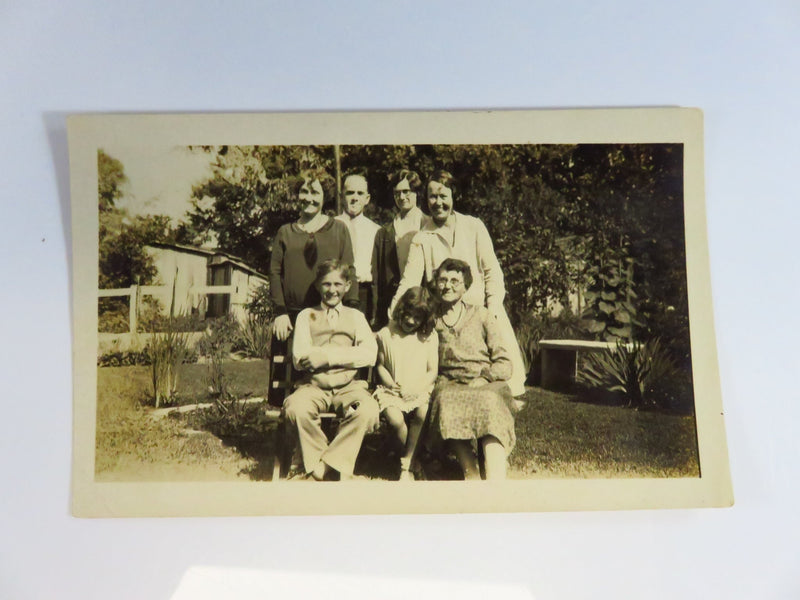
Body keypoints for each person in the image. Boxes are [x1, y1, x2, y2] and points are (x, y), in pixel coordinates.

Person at [389, 169, 527, 396]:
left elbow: (492, 271)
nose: (438, 202)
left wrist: (492, 310)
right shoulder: (422, 237)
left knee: (501, 383)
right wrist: (393, 314)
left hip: (480, 312)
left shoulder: (473, 226)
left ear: (453, 196)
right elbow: (409, 281)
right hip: (447, 316)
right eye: (432, 197)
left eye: (443, 196)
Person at [284, 259, 380, 481]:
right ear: (318, 286)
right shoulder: (305, 316)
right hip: (314, 387)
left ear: (347, 286)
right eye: (326, 284)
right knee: (296, 409)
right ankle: (329, 463)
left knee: (365, 410)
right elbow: (301, 358)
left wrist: (325, 357)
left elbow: (369, 354)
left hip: (349, 389)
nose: (332, 290)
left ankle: (322, 467)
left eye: (338, 284)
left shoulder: (356, 317)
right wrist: (346, 357)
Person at [428, 258, 517, 480]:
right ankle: (470, 468)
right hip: (449, 383)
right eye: (443, 280)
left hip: (485, 381)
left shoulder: (482, 315)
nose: (448, 286)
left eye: (455, 281)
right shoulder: (430, 318)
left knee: (489, 401)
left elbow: (505, 361)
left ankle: (495, 468)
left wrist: (486, 378)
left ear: (466, 286)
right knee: (446, 400)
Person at [269, 169, 359, 343]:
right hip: (291, 319)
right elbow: (274, 273)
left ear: (325, 196)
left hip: (330, 317)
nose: (309, 198)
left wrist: (351, 310)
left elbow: (349, 271)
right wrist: (280, 312)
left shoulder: (339, 229)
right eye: (304, 191)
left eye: (315, 192)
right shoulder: (285, 232)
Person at [373, 286, 438, 481]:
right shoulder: (387, 333)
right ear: (401, 310)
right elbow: (380, 365)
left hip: (418, 388)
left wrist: (417, 388)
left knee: (422, 412)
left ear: (424, 320)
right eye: (408, 315)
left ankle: (406, 465)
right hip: (392, 390)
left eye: (417, 318)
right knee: (395, 420)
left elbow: (432, 371)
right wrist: (389, 383)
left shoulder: (428, 337)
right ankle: (412, 461)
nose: (410, 321)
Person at [371, 169, 426, 330]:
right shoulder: (385, 232)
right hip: (394, 301)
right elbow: (378, 276)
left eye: (406, 192)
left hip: (423, 300)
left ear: (416, 192)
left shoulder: (427, 226)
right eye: (397, 193)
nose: (401, 197)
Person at [336, 171, 380, 322]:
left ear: (367, 199)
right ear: (341, 196)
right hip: (335, 293)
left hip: (364, 294)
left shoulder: (376, 230)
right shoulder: (331, 226)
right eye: (349, 193)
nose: (354, 198)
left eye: (360, 193)